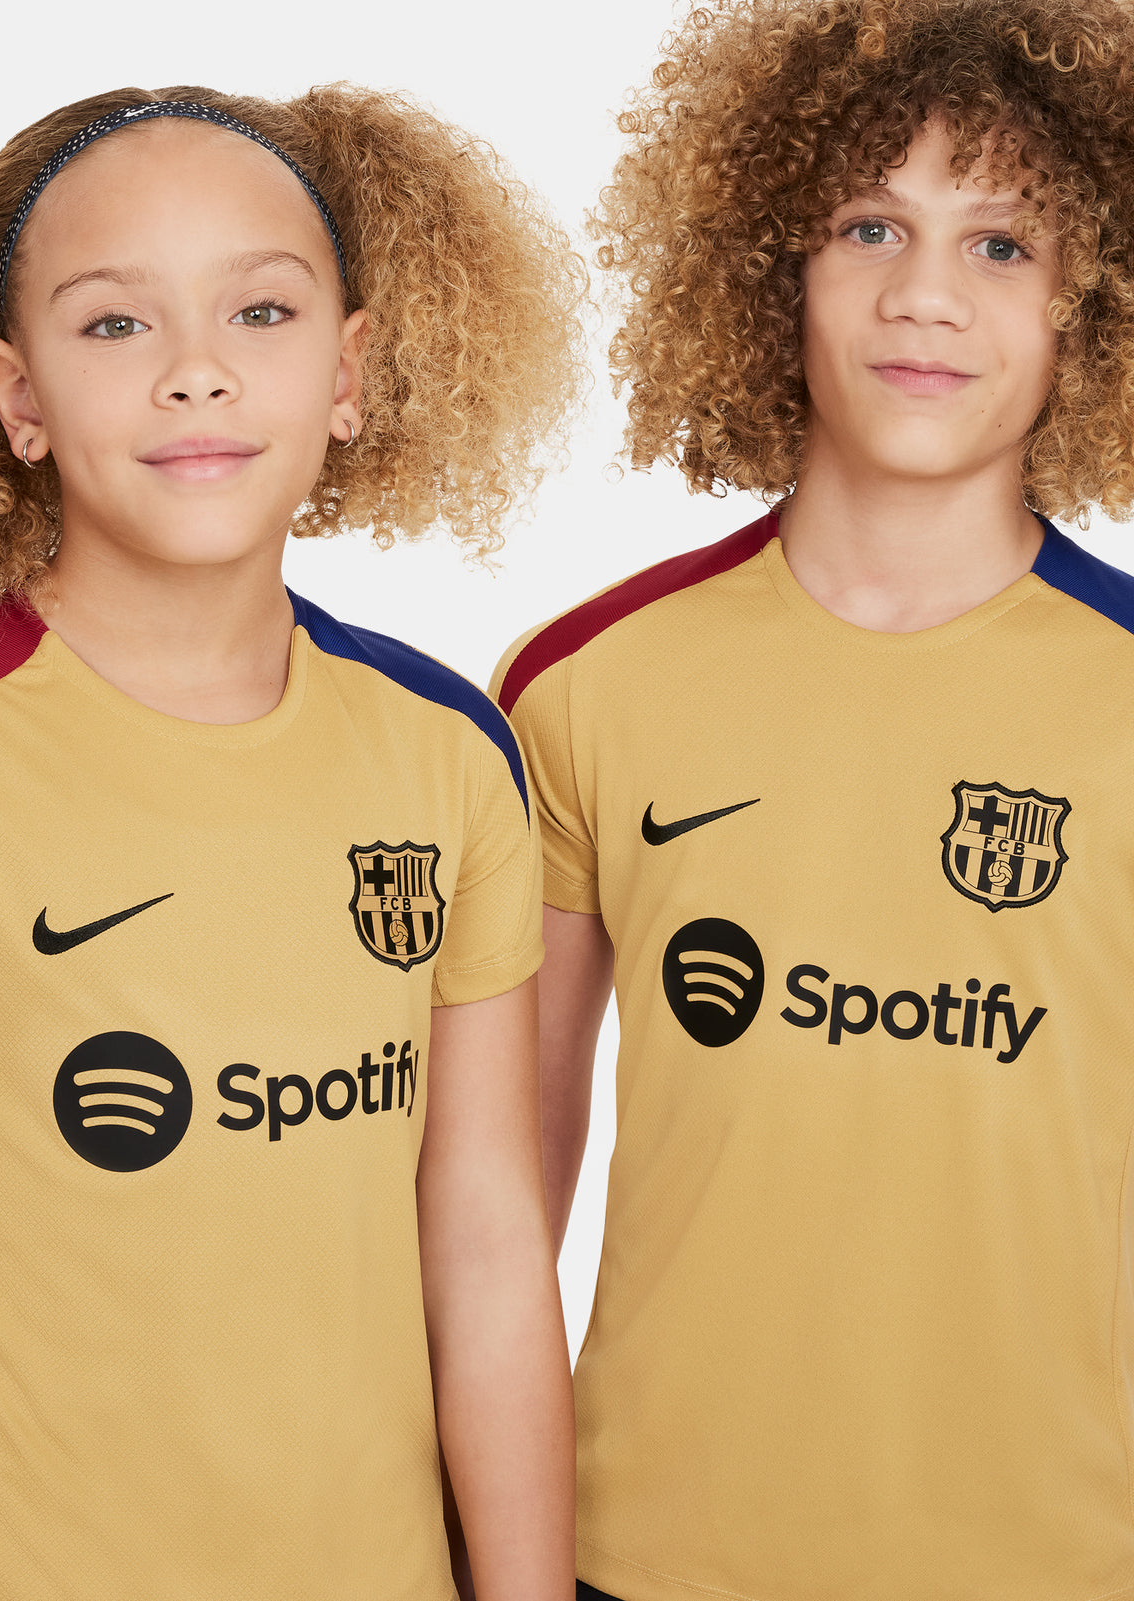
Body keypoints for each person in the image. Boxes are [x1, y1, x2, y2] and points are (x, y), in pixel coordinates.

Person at [493, 0, 1134, 1595]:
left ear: (1092, 309)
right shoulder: (582, 680)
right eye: (871, 224)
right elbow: (498, 1199)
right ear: (773, 269)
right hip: (643, 1555)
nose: (926, 293)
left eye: (1003, 246)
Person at [0, 82, 585, 1601]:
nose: (198, 376)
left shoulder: (447, 754)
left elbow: (486, 1244)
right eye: (115, 327)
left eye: (263, 313)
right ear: (16, 396)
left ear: (349, 369)